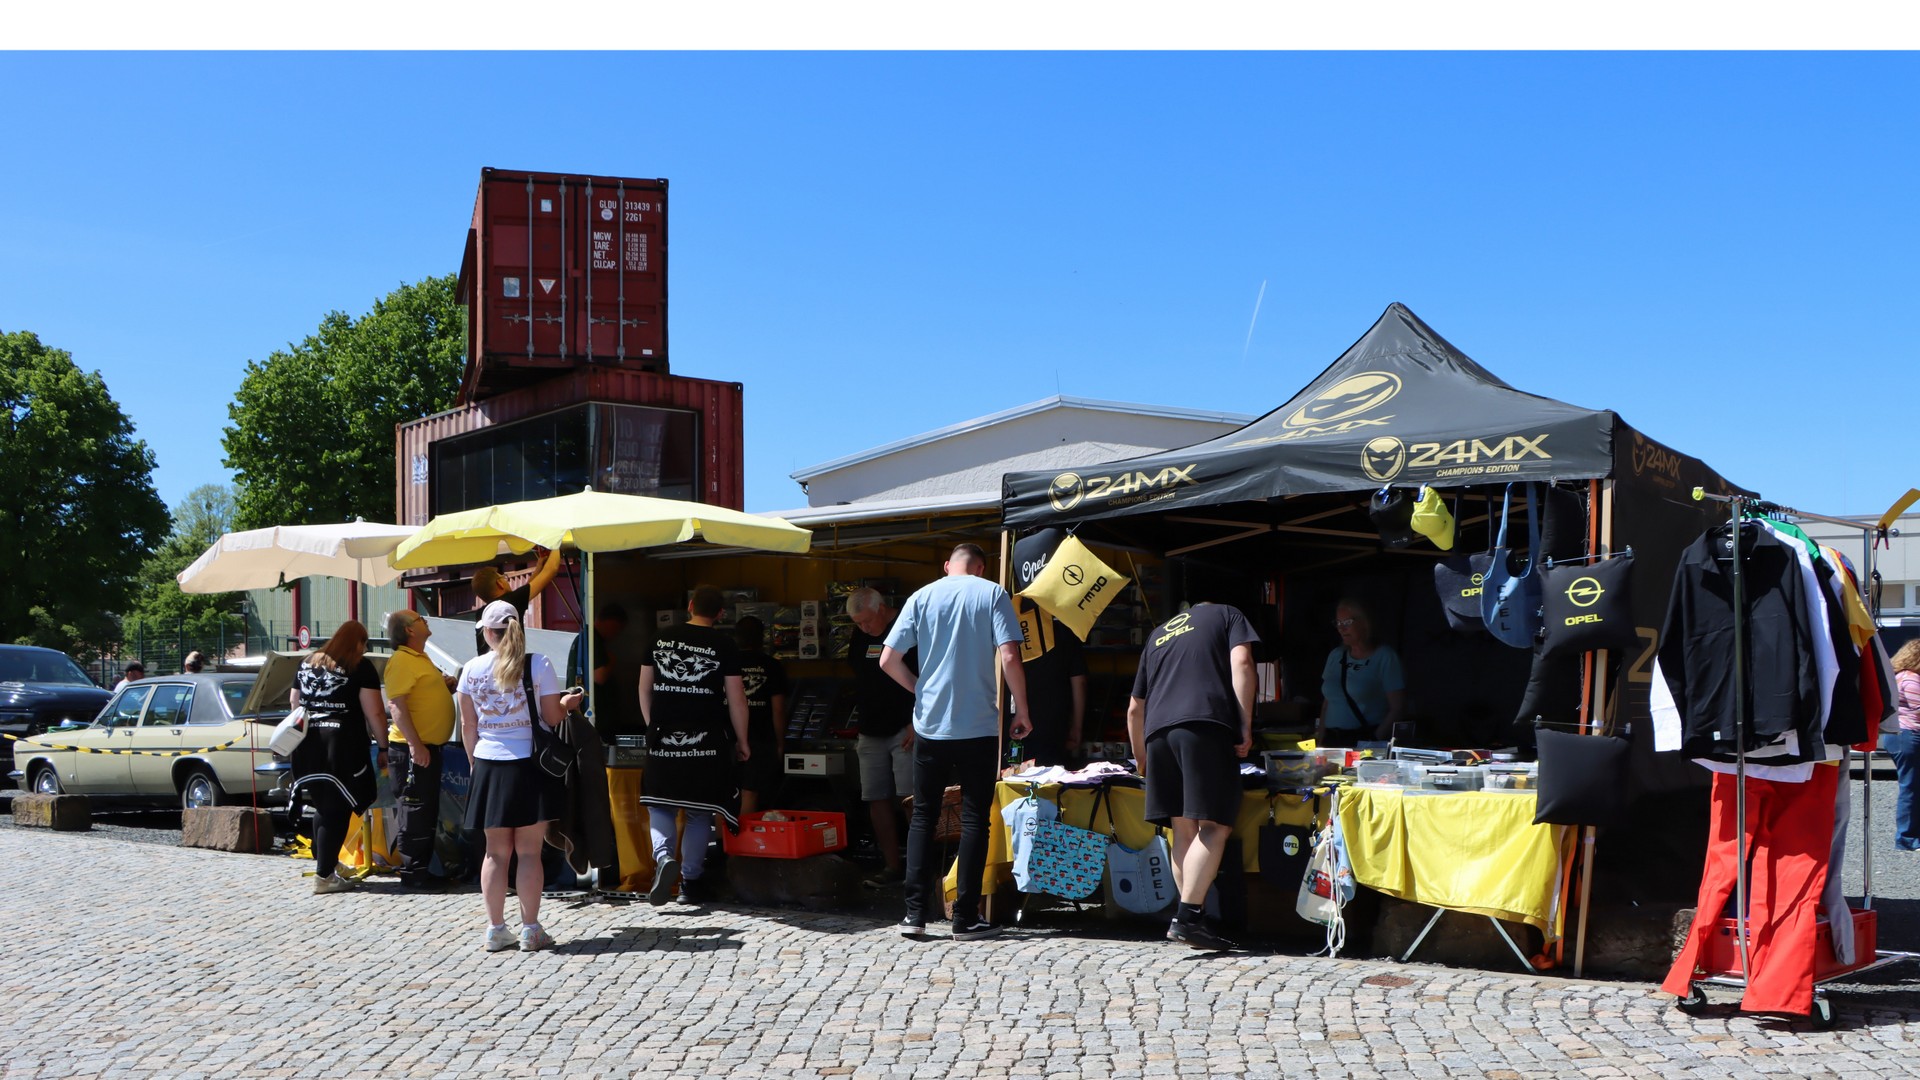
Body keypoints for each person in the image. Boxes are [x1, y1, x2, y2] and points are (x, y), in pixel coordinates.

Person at [880, 543, 1030, 942]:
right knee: (975, 819)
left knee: (923, 817)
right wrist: (1021, 710)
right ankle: (965, 918)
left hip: (931, 726)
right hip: (978, 726)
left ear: (947, 565)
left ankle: (914, 914)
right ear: (980, 568)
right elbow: (1010, 656)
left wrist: (920, 690)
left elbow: (887, 660)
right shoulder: (992, 593)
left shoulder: (921, 597)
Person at [1128, 601, 1260, 951]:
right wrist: (1245, 724)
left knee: (1183, 828)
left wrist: (1141, 759)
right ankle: (1187, 918)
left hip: (1156, 734)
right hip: (1204, 723)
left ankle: (1192, 920)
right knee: (1214, 825)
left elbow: (1135, 708)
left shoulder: (1158, 635)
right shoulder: (1228, 614)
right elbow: (1242, 663)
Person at [457, 600, 577, 952]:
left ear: (487, 633)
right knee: (529, 853)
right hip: (529, 765)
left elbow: (468, 725)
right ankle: (531, 929)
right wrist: (567, 704)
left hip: (488, 764)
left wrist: (474, 764)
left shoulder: (471, 669)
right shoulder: (539, 664)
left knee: (494, 854)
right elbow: (552, 718)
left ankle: (496, 929)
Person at [638, 584, 750, 907]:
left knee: (660, 805)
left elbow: (644, 688)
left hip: (663, 737)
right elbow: (737, 699)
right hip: (707, 740)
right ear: (720, 614)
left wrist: (652, 726)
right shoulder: (724, 644)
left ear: (689, 606)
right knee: (699, 813)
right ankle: (690, 883)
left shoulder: (659, 638)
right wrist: (742, 740)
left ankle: (663, 858)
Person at [287, 621, 386, 896]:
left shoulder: (308, 662)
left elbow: (294, 702)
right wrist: (384, 746)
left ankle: (328, 864)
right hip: (342, 746)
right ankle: (324, 876)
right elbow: (375, 712)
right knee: (337, 809)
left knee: (322, 804)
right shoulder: (360, 666)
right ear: (358, 643)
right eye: (364, 643)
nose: (365, 648)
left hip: (307, 742)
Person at [382, 609, 459, 889]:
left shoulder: (419, 657)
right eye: (419, 619)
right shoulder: (402, 660)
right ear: (409, 630)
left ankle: (421, 869)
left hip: (426, 747)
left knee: (424, 811)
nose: (425, 620)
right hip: (411, 750)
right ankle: (414, 874)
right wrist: (416, 746)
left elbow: (419, 696)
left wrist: (444, 688)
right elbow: (396, 706)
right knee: (414, 811)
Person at [847, 587, 916, 888]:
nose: (864, 628)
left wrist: (916, 721)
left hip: (905, 727)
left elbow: (927, 676)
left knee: (911, 799)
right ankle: (892, 866)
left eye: (867, 621)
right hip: (869, 729)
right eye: (858, 623)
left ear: (882, 609)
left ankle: (920, 869)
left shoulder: (908, 626)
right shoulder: (859, 634)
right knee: (875, 797)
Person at [1315, 598, 1405, 745]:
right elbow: (1327, 704)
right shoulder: (1335, 655)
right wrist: (1320, 741)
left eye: (1347, 622)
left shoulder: (1385, 657)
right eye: (1338, 623)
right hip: (1331, 740)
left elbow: (1397, 708)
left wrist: (1374, 740)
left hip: (1363, 739)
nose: (1341, 628)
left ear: (1364, 622)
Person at [1012, 599, 1087, 766]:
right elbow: (1079, 681)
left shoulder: (1010, 627)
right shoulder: (1065, 629)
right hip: (1054, 721)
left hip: (1014, 718)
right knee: (1052, 776)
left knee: (1013, 773)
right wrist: (1076, 727)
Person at [734, 615, 790, 816]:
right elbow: (778, 709)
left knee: (724, 795)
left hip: (728, 737)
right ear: (762, 637)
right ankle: (744, 837)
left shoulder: (725, 664)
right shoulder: (771, 666)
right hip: (760, 739)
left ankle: (724, 837)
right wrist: (780, 743)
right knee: (750, 792)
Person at [471, 546, 564, 653]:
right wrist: (556, 543)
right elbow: (552, 569)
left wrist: (539, 567)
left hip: (488, 663)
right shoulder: (510, 603)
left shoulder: (481, 613)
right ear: (500, 584)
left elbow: (526, 589)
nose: (506, 580)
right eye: (504, 577)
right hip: (511, 663)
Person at [1887, 639, 1920, 852]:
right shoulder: (1912, 680)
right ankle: (1906, 838)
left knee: (1912, 786)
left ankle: (1910, 835)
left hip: (1900, 735)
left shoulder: (1899, 676)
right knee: (1910, 787)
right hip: (1909, 735)